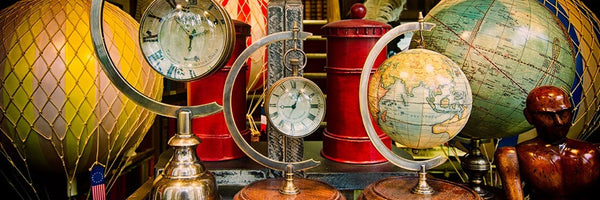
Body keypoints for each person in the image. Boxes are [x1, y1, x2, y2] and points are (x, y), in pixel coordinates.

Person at [495, 85, 600, 200]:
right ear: (529, 116)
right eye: (548, 115)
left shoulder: (593, 152)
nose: (559, 122)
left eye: (563, 113)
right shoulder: (513, 155)